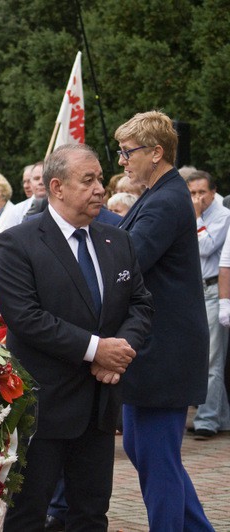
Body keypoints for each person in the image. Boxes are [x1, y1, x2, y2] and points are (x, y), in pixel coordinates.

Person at [0, 143, 153, 530]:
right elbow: (26, 318)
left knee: (91, 514)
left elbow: (141, 305)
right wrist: (98, 350)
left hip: (99, 405)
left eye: (100, 178)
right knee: (26, 514)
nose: (100, 187)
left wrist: (120, 352)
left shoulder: (116, 239)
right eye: (89, 180)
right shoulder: (18, 242)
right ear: (57, 187)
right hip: (42, 406)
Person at [116, 110, 213, 530]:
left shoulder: (167, 200)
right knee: (146, 452)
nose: (122, 161)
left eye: (127, 152)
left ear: (156, 153)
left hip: (164, 351)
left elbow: (127, 262)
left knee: (156, 460)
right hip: (155, 349)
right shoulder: (161, 195)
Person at [186, 171, 230, 440]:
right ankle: (221, 415)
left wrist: (197, 216)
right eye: (192, 193)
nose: (197, 198)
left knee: (213, 358)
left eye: (202, 192)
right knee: (201, 356)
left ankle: (208, 418)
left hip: (214, 290)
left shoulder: (223, 216)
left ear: (213, 192)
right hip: (195, 291)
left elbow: (206, 247)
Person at [0, 161, 46, 230]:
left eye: (44, 177)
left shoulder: (63, 208)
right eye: (36, 178)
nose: (41, 182)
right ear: (31, 182)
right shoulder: (15, 211)